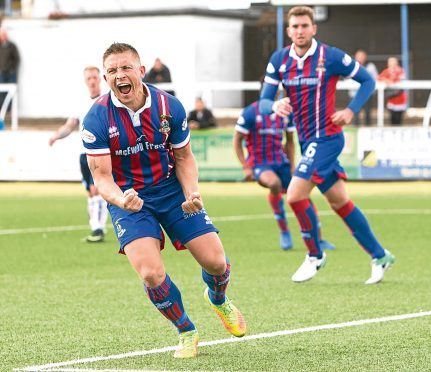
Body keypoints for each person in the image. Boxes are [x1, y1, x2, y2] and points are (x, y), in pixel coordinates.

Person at [81, 42, 246, 359]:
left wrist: (192, 192)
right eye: (113, 71)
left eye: (126, 67)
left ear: (141, 71)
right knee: (150, 273)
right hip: (129, 198)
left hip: (170, 190)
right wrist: (121, 199)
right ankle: (186, 331)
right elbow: (101, 177)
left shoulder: (170, 107)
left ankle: (218, 299)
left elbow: (184, 158)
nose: (120, 75)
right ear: (105, 77)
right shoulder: (96, 119)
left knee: (216, 263)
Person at [259, 6, 395, 285]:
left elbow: (368, 81)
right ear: (288, 31)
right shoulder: (279, 60)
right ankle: (380, 256)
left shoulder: (330, 56)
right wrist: (274, 104)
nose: (299, 31)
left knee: (295, 196)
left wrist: (350, 111)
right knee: (339, 201)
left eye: (304, 26)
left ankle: (314, 255)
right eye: (295, 26)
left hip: (328, 138)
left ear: (313, 28)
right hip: (307, 140)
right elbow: (263, 100)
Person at [233, 100, 335, 251]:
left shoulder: (286, 112)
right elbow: (237, 139)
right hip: (260, 164)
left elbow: (290, 141)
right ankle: (284, 232)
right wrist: (245, 167)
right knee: (274, 184)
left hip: (282, 162)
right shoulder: (250, 112)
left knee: (303, 195)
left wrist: (293, 165)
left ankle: (319, 239)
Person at [49, 66, 108, 243]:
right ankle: (94, 226)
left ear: (100, 79)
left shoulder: (107, 101)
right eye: (88, 78)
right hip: (84, 153)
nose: (92, 80)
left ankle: (99, 228)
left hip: (101, 152)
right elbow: (71, 124)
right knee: (90, 191)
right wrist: (57, 136)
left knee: (98, 188)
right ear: (85, 81)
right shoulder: (81, 102)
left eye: (94, 77)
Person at [348, 49, 378, 126]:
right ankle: (355, 129)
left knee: (368, 113)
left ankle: (368, 129)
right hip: (354, 94)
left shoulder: (370, 67)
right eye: (358, 56)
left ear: (365, 57)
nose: (360, 58)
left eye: (362, 56)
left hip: (366, 95)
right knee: (354, 114)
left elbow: (374, 79)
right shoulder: (350, 65)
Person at [377, 57, 407, 126]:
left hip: (400, 99)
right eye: (390, 64)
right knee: (392, 119)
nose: (391, 65)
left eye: (393, 64)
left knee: (398, 120)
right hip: (391, 100)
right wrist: (387, 80)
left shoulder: (400, 71)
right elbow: (379, 77)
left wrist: (388, 80)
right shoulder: (387, 71)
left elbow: (397, 80)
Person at [0, 28, 20, 110]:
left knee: (11, 93)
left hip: (11, 74)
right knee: (1, 93)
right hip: (1, 74)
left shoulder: (12, 46)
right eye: (2, 35)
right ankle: (2, 110)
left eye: (5, 34)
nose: (4, 36)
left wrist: (12, 69)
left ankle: (9, 111)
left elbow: (16, 59)